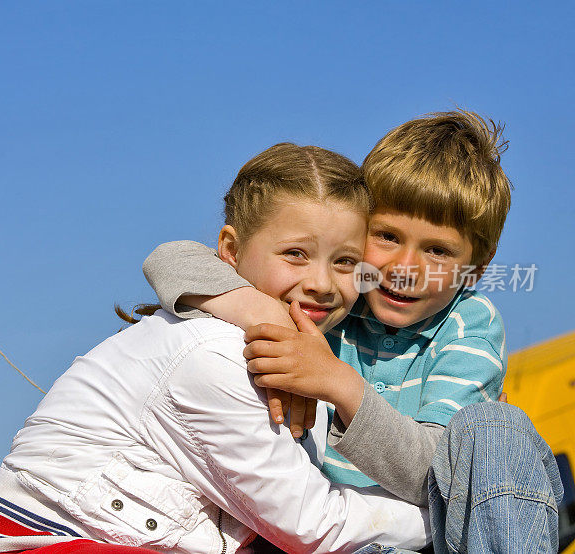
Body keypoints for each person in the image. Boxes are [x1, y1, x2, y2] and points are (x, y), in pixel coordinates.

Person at [0, 143, 432, 554]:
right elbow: (312, 526)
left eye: (346, 262)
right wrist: (440, 520)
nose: (322, 284)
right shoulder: (216, 354)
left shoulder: (303, 355)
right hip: (52, 540)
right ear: (229, 249)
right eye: (295, 254)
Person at [142, 111, 563, 551]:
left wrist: (339, 383)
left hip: (424, 537)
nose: (404, 269)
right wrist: (267, 317)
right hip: (320, 533)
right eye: (386, 237)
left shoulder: (468, 325)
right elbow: (172, 260)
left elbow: (437, 477)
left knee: (498, 425)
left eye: (437, 250)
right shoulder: (338, 294)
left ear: (476, 268)